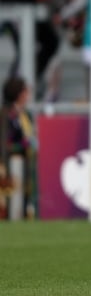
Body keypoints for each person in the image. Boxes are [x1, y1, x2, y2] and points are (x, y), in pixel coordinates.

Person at [0, 76, 36, 220]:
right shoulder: (6, 115)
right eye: (25, 91)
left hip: (25, 165)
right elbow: (5, 144)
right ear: (18, 94)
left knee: (25, 202)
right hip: (11, 166)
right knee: (11, 205)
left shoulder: (25, 114)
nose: (28, 95)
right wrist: (23, 145)